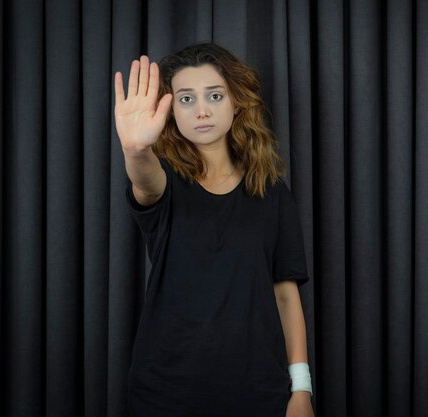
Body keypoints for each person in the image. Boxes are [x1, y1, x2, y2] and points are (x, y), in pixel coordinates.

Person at [114, 42, 315, 417]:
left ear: (236, 101)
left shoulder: (272, 192)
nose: (202, 110)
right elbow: (145, 183)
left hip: (258, 393)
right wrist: (136, 150)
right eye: (186, 99)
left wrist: (301, 389)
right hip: (165, 394)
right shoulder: (167, 183)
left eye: (215, 95)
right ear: (171, 111)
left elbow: (286, 296)